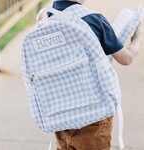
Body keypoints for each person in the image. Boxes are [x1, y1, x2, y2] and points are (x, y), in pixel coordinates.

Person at [48, 0, 143, 149]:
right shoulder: (93, 20)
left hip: (62, 114)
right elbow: (127, 58)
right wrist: (137, 38)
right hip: (93, 115)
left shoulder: (48, 19)